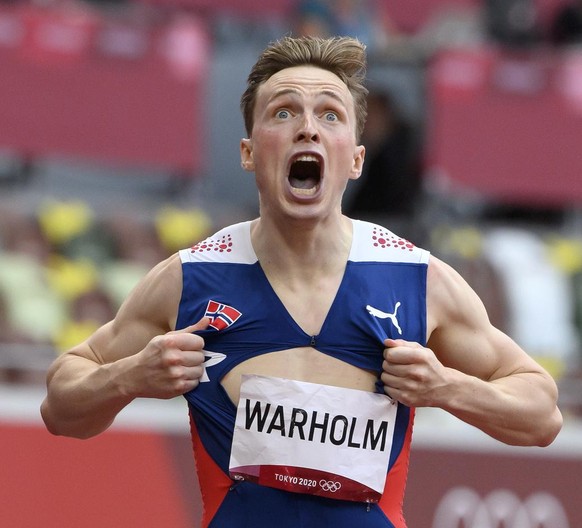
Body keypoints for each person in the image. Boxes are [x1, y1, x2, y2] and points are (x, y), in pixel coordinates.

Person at [41, 36, 562, 527]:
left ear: (356, 160)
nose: (307, 128)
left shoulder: (417, 279)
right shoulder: (191, 279)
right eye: (284, 111)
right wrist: (129, 376)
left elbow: (542, 414)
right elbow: (60, 407)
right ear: (248, 153)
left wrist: (447, 387)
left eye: (329, 114)